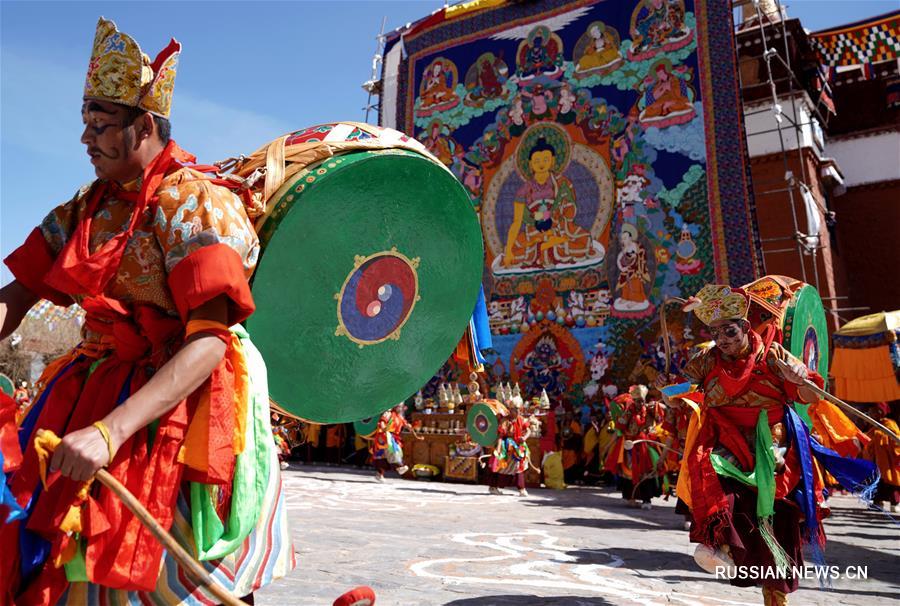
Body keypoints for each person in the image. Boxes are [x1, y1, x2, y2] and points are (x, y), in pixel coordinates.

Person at [0, 19, 293, 603]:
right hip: (93, 382)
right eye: (84, 124)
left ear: (143, 125)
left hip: (184, 398)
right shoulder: (87, 205)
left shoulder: (194, 203)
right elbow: (16, 295)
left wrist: (110, 433)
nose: (86, 139)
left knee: (169, 578)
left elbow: (209, 341)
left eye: (101, 125)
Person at [664, 284, 877, 606]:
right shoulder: (706, 361)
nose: (723, 340)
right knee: (713, 478)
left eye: (730, 331)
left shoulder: (775, 356)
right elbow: (685, 394)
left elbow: (810, 396)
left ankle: (775, 595)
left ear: (746, 327)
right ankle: (716, 544)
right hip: (726, 438)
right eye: (716, 333)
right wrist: (670, 396)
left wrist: (798, 376)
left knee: (778, 515)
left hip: (774, 440)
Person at [488, 401, 532, 496]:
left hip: (517, 447)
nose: (517, 412)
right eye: (514, 410)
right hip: (505, 446)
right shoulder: (505, 421)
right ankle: (493, 487)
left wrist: (524, 438)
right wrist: (499, 450)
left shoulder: (521, 419)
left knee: (519, 466)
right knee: (498, 465)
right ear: (510, 410)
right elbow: (500, 436)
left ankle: (522, 489)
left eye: (518, 410)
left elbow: (528, 430)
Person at [863, 402, 899, 513]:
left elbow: (896, 439)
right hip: (876, 461)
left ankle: (895, 504)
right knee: (877, 482)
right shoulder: (874, 426)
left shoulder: (889, 424)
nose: (870, 414)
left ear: (879, 412)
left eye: (872, 412)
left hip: (888, 461)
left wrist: (879, 436)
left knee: (891, 482)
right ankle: (878, 503)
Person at [370, 403, 421, 481]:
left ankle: (392, 469)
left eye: (401, 407)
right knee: (387, 454)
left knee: (388, 454)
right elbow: (382, 422)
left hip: (392, 438)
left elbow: (406, 424)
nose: (400, 408)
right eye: (399, 406)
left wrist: (412, 426)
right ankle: (399, 467)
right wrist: (383, 428)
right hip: (385, 437)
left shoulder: (399, 416)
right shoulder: (388, 414)